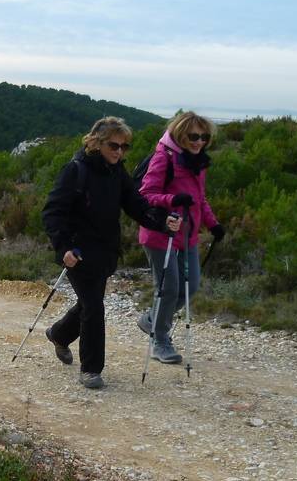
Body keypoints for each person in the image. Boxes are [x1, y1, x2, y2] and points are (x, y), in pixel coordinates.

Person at [42, 116, 181, 389]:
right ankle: (91, 370)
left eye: (124, 147)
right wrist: (63, 248)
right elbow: (52, 212)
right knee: (94, 306)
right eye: (114, 145)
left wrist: (162, 222)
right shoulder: (76, 170)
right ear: (96, 143)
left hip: (105, 253)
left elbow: (137, 205)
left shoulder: (117, 172)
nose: (119, 151)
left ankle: (58, 334)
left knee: (87, 303)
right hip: (78, 252)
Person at [136, 111, 226, 363]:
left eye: (204, 137)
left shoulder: (197, 161)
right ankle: (160, 341)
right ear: (180, 134)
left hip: (188, 235)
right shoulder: (163, 158)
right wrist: (172, 200)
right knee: (168, 289)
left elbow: (199, 198)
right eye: (193, 136)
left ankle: (151, 320)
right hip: (160, 233)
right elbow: (146, 194)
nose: (199, 142)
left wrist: (213, 224)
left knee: (191, 286)